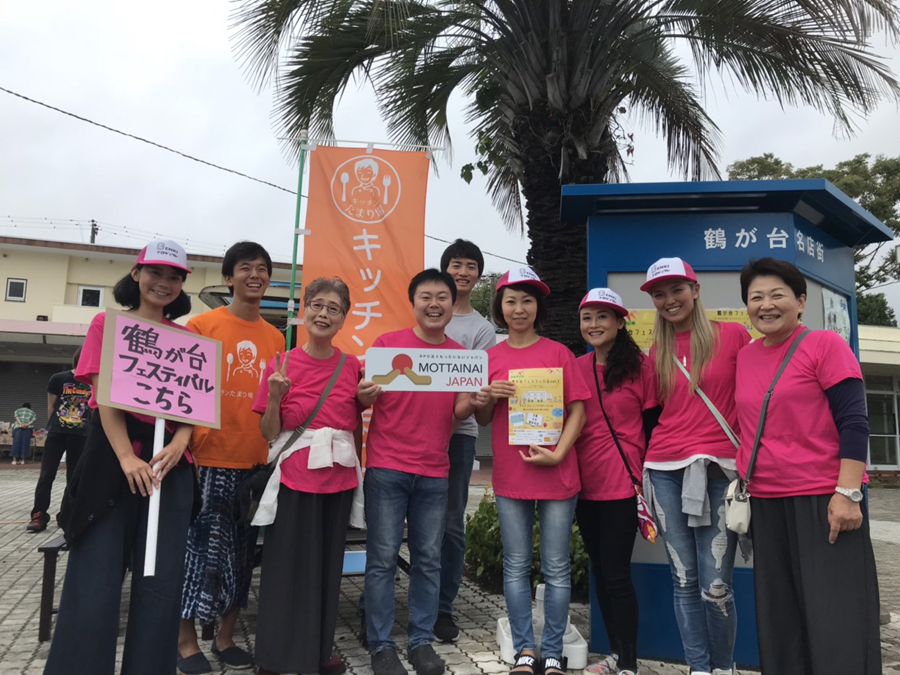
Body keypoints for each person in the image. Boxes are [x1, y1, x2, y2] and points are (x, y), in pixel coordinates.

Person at [45, 239, 197, 675]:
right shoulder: (105, 325)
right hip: (112, 463)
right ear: (136, 274)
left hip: (171, 466)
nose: (163, 283)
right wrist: (126, 459)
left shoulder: (189, 339)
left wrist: (181, 442)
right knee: (95, 578)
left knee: (161, 579)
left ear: (182, 284)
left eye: (174, 276)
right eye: (155, 272)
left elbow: (196, 404)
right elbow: (103, 396)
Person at [734, 258, 880, 675]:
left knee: (837, 618)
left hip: (825, 501)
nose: (766, 304)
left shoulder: (825, 345)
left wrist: (848, 494)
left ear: (800, 302)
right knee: (780, 619)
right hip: (766, 501)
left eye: (777, 295)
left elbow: (854, 421)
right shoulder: (745, 357)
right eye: (756, 297)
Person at [357, 269, 483, 675]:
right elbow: (359, 403)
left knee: (428, 559)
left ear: (452, 303)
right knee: (381, 559)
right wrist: (362, 396)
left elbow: (459, 412)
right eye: (426, 296)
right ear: (413, 303)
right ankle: (380, 645)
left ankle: (421, 641)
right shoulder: (386, 346)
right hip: (386, 468)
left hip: (434, 470)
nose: (434, 304)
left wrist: (476, 399)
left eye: (442, 297)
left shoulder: (461, 357)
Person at [469, 267, 589, 675]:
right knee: (516, 565)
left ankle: (552, 650)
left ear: (538, 307)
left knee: (556, 567)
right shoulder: (489, 358)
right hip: (511, 476)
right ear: (499, 308)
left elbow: (578, 411)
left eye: (527, 300)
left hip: (557, 474)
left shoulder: (559, 353)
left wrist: (559, 454)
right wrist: (486, 396)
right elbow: (483, 418)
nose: (518, 309)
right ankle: (525, 650)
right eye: (510, 301)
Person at [178, 242, 285, 675]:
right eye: (245, 268)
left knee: (243, 554)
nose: (255, 275)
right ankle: (185, 641)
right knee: (200, 551)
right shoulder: (202, 326)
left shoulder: (276, 337)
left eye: (262, 269)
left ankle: (225, 637)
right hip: (208, 458)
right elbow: (184, 396)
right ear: (228, 278)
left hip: (256, 464)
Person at [640, 257, 749, 675]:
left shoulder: (735, 335)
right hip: (665, 469)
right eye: (659, 294)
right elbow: (650, 415)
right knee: (683, 581)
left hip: (722, 472)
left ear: (696, 290)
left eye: (676, 290)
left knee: (716, 586)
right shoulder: (656, 352)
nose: (669, 300)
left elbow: (756, 399)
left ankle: (724, 668)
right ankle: (699, 669)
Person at [251, 276, 364, 675]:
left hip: (339, 479)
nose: (323, 313)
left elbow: (355, 425)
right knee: (285, 568)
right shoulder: (281, 363)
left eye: (334, 308)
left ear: (343, 319)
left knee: (327, 568)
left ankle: (317, 652)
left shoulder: (352, 366)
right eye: (317, 305)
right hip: (295, 478)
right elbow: (268, 433)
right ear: (303, 310)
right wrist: (277, 396)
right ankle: (275, 656)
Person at [575, 289, 658, 675]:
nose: (593, 325)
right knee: (600, 570)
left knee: (617, 573)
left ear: (620, 322)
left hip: (624, 485)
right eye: (587, 317)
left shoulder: (641, 368)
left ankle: (628, 663)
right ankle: (614, 655)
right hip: (582, 484)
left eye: (602, 317)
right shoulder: (574, 367)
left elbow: (653, 426)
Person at [434, 239, 496, 642]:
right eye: (456, 264)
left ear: (477, 274)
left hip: (460, 437)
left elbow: (477, 388)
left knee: (451, 524)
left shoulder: (482, 329)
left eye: (470, 266)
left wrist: (475, 397)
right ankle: (381, 603)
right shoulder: (425, 311)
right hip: (411, 434)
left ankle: (443, 608)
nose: (462, 272)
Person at [26, 348, 92, 532]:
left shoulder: (94, 383)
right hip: (57, 432)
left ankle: (67, 515)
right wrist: (55, 426)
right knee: (47, 474)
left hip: (81, 435)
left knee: (73, 477)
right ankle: (39, 514)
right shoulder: (59, 378)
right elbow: (51, 407)